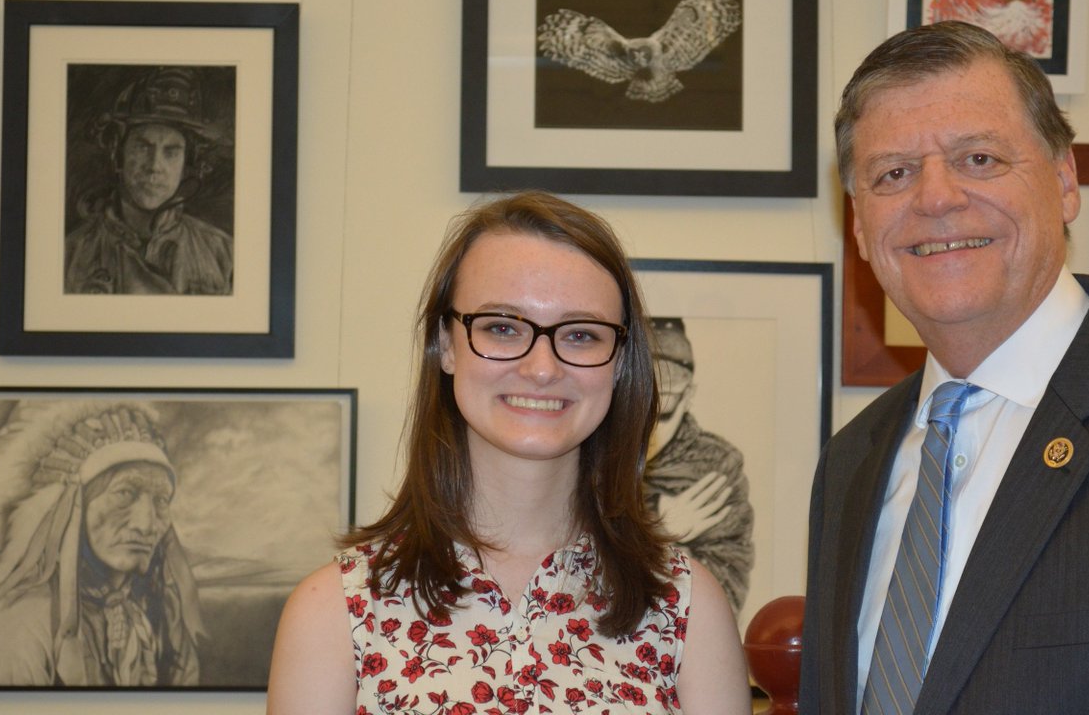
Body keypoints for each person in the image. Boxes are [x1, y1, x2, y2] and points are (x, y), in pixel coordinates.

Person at [800, 20, 1089, 714]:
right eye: (893, 173)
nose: (936, 198)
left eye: (978, 158)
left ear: (1065, 181)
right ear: (858, 225)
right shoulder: (850, 462)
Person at [267, 192, 751, 714]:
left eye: (581, 334)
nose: (542, 368)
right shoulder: (335, 612)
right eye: (502, 327)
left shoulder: (687, 608)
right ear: (446, 345)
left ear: (619, 363)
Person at [0, 402, 204, 686]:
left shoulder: (151, 615)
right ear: (71, 507)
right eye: (125, 493)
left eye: (161, 500)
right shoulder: (20, 626)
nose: (147, 525)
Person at [63, 66, 234, 295]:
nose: (154, 166)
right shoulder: (71, 254)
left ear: (187, 164)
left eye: (171, 152)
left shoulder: (224, 255)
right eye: (143, 147)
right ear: (117, 153)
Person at [645, 317, 754, 615]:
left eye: (664, 402)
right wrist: (658, 525)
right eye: (639, 399)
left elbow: (728, 589)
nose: (649, 421)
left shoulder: (718, 465)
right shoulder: (591, 452)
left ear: (688, 396)